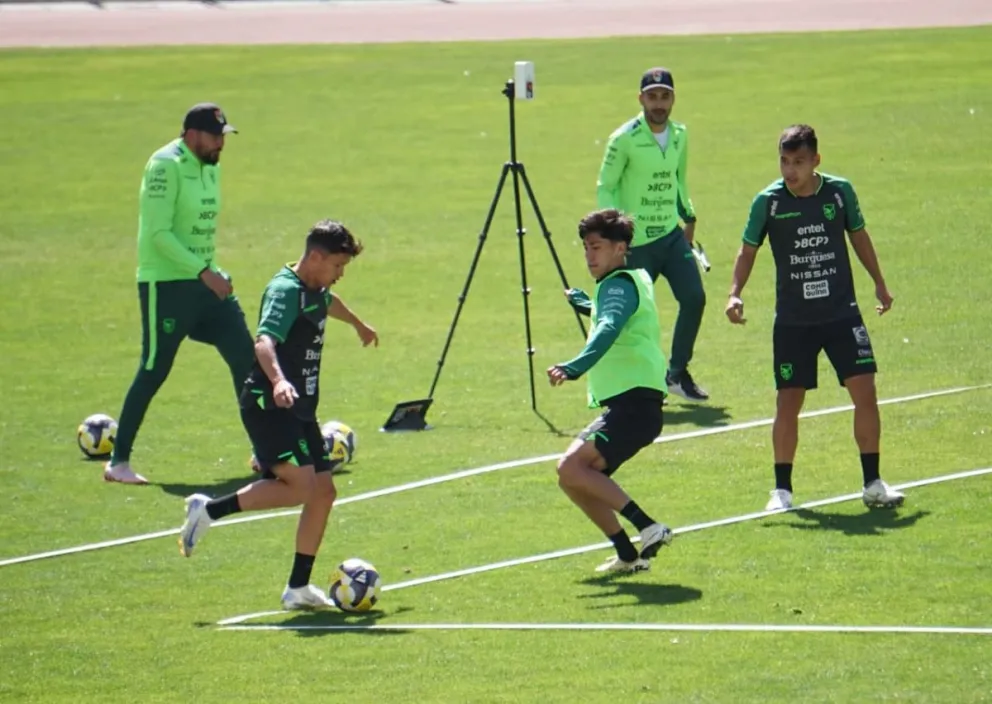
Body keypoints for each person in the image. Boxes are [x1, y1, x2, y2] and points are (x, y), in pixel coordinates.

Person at [178, 219, 379, 610]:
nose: (340, 274)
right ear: (316, 257)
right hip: (270, 404)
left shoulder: (314, 288)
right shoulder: (285, 291)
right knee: (301, 487)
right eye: (337, 265)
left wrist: (358, 324)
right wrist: (280, 380)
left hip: (299, 409)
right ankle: (209, 510)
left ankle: (297, 588)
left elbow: (328, 303)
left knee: (324, 492)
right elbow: (264, 341)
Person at [725, 124, 905, 511]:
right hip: (794, 322)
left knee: (866, 393)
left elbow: (859, 237)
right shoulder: (768, 202)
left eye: (799, 162)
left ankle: (873, 483)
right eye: (784, 161)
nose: (790, 170)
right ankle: (782, 492)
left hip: (842, 314)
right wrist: (734, 293)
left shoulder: (840, 192)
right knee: (788, 402)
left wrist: (879, 283)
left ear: (816, 160)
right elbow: (748, 250)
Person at [104, 102, 255, 485]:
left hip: (207, 283)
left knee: (247, 358)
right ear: (191, 135)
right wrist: (203, 271)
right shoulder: (164, 166)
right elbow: (158, 234)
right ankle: (118, 463)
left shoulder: (210, 166)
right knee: (154, 368)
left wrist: (212, 269)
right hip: (167, 285)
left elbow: (200, 231)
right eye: (215, 136)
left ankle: (265, 452)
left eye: (224, 135)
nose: (221, 143)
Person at [548, 208, 673, 574]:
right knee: (573, 477)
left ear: (620, 248)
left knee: (571, 468)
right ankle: (628, 554)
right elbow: (616, 316)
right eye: (586, 248)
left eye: (597, 247)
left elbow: (609, 327)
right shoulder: (630, 279)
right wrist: (589, 305)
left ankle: (649, 527)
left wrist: (575, 366)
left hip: (634, 406)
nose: (590, 256)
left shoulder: (617, 285)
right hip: (631, 406)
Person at [596, 67, 709, 403]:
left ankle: (676, 374)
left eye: (665, 96)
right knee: (631, 317)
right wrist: (614, 233)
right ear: (641, 99)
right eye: (652, 96)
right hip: (636, 243)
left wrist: (689, 216)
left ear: (673, 98)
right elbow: (606, 186)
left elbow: (679, 180)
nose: (659, 103)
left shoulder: (680, 135)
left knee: (694, 298)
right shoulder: (624, 139)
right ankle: (627, 388)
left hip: (670, 236)